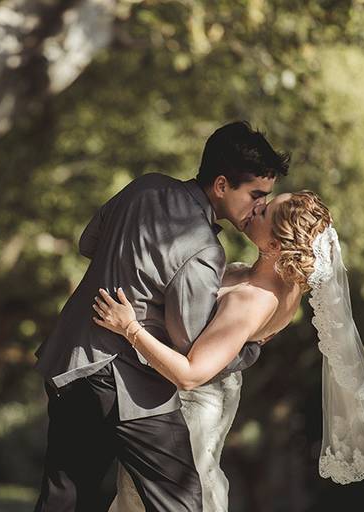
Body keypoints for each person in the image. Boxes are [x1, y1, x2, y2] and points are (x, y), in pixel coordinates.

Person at [33, 121, 290, 511]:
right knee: (182, 501)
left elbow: (89, 242)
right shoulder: (203, 251)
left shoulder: (145, 185)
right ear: (221, 185)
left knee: (66, 496)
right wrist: (249, 349)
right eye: (256, 194)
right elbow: (190, 348)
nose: (259, 206)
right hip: (126, 384)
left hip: (71, 358)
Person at [93, 191, 364, 511]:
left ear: (275, 246)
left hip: (187, 414)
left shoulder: (251, 300)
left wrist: (128, 327)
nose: (258, 207)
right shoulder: (287, 286)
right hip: (212, 399)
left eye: (265, 212)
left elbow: (191, 375)